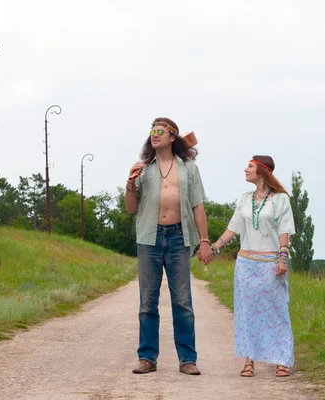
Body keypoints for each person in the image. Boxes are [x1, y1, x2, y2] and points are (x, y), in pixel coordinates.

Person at [125, 117, 212, 376]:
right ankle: (147, 358)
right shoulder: (144, 168)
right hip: (149, 239)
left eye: (160, 131)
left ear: (172, 137)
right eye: (152, 131)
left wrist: (204, 241)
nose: (154, 135)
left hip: (178, 237)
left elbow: (198, 206)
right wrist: (130, 183)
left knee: (183, 302)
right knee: (147, 302)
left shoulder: (188, 168)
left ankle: (187, 359)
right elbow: (131, 209)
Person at [203, 155, 295, 377]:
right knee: (247, 313)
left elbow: (284, 228)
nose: (245, 170)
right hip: (245, 264)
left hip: (269, 263)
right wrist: (213, 248)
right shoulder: (245, 199)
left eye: (250, 166)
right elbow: (233, 228)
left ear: (262, 171)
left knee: (276, 311)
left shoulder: (280, 199)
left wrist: (283, 256)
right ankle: (249, 360)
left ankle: (282, 359)